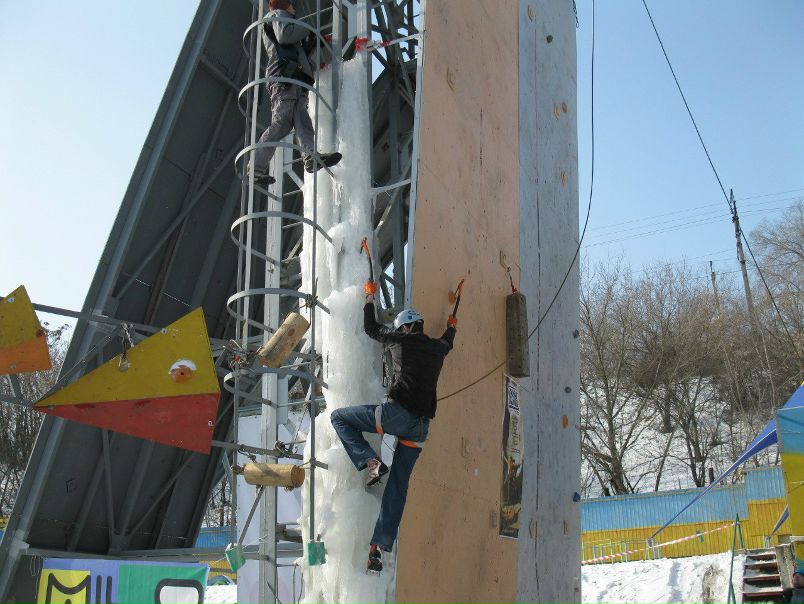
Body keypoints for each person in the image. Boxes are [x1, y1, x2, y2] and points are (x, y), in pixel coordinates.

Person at [330, 279, 458, 573]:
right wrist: (452, 323)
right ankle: (380, 547)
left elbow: (371, 328)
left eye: (401, 328)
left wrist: (368, 297)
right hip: (421, 429)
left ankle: (370, 461)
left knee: (340, 418)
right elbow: (449, 340)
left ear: (405, 328)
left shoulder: (399, 340)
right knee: (398, 487)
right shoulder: (437, 349)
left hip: (397, 415)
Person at [250, 0, 342, 187]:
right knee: (282, 121)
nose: (294, 8)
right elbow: (284, 35)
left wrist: (310, 43)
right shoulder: (277, 15)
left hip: (294, 78)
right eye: (291, 4)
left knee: (302, 119)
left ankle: (310, 156)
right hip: (285, 77)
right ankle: (255, 167)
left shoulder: (282, 18)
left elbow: (292, 47)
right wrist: (306, 29)